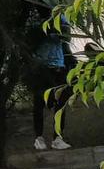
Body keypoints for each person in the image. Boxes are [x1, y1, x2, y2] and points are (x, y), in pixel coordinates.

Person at [30, 17, 75, 151]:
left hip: (59, 65)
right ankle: (39, 137)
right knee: (39, 102)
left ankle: (58, 138)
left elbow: (67, 35)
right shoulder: (34, 16)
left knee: (61, 103)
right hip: (41, 67)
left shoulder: (61, 17)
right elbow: (35, 34)